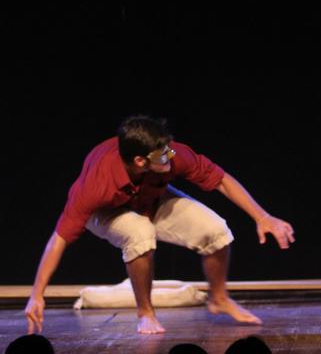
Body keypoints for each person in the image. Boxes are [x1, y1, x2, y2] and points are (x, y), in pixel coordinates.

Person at [24, 115, 295, 335]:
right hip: (106, 212)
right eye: (162, 155)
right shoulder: (97, 183)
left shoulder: (172, 155)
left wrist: (262, 217)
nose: (170, 155)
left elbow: (221, 179)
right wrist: (37, 295)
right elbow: (59, 238)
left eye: (169, 149)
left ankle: (219, 298)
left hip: (151, 198)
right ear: (140, 161)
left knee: (215, 229)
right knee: (140, 233)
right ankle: (146, 313)